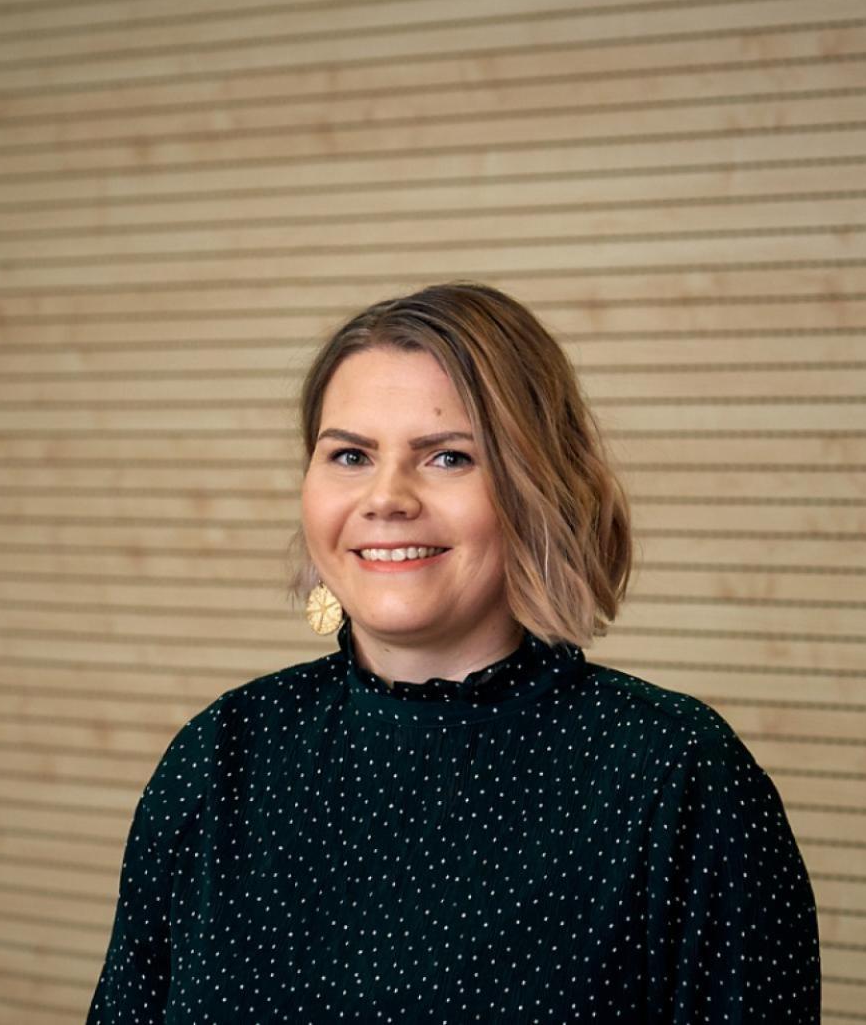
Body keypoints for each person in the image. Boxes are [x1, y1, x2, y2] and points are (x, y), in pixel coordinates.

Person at [86, 283, 820, 1023]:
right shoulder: (220, 757)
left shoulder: (680, 779)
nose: (386, 497)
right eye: (349, 454)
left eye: (446, 458)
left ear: (538, 489)